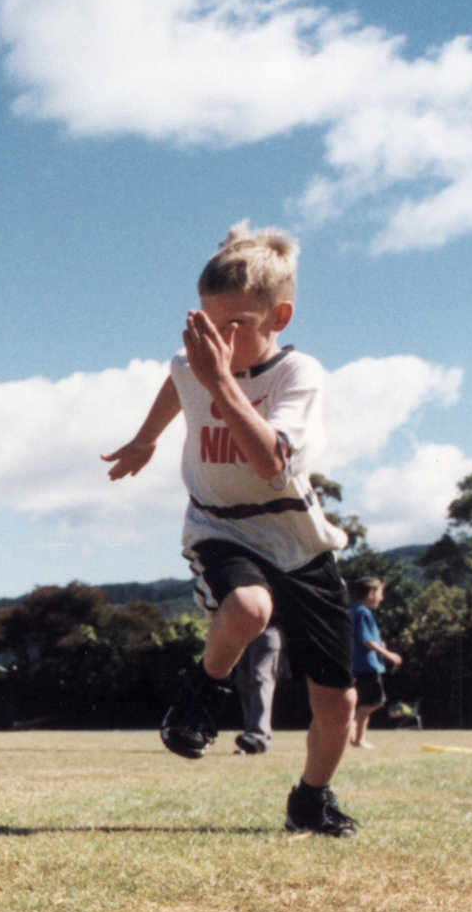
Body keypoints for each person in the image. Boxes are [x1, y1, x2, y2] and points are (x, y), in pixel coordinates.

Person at [102, 223, 358, 836]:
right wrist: (146, 437)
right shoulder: (200, 364)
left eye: (237, 324)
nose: (218, 341)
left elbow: (271, 463)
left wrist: (217, 380)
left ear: (281, 317)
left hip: (296, 538)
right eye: (209, 325)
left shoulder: (299, 377)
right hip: (220, 526)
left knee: (339, 702)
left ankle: (311, 799)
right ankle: (201, 694)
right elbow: (178, 378)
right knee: (246, 608)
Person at [349, 577, 401, 747]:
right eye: (380, 593)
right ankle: (358, 738)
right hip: (367, 665)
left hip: (357, 665)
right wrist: (388, 654)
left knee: (364, 702)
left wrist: (380, 645)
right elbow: (366, 640)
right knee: (373, 702)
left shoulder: (354, 610)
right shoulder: (364, 612)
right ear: (371, 594)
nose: (381, 598)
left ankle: (354, 734)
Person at [230, 625, 282, 755]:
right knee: (243, 681)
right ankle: (251, 737)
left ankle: (259, 736)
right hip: (242, 631)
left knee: (260, 677)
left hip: (268, 628)